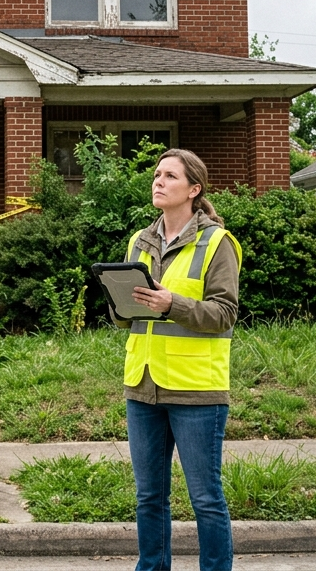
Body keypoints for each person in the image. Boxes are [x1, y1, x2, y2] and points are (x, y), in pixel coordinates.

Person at [124, 148, 242, 571]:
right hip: (143, 384)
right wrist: (121, 303)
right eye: (157, 174)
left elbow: (225, 314)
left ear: (194, 189)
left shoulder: (217, 243)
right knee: (148, 496)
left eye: (170, 176)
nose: (158, 181)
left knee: (206, 499)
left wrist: (172, 303)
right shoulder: (140, 240)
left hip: (197, 390)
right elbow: (127, 315)